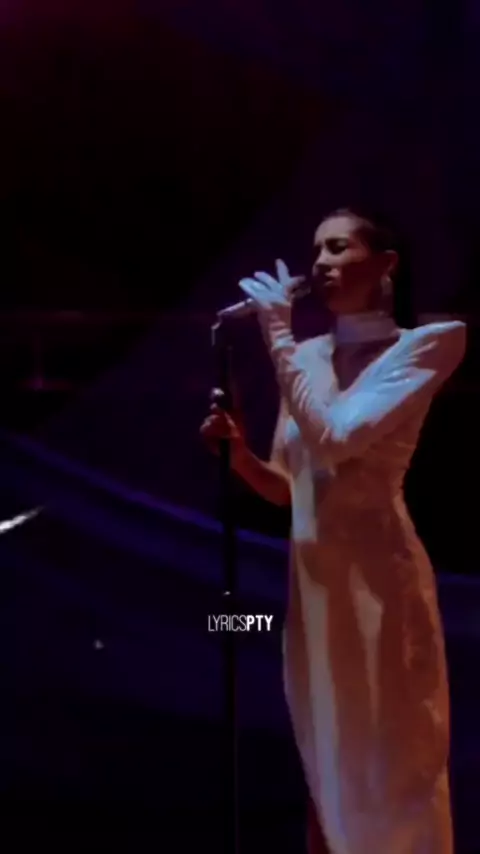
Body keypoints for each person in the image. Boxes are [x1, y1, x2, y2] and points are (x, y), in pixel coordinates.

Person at [200, 208, 466, 854]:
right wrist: (238, 457)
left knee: (391, 764)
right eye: (316, 249)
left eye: (339, 248)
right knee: (324, 768)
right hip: (316, 585)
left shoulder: (427, 344)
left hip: (380, 582)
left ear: (385, 264)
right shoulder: (306, 357)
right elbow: (291, 488)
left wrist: (276, 334)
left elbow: (339, 438)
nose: (320, 262)